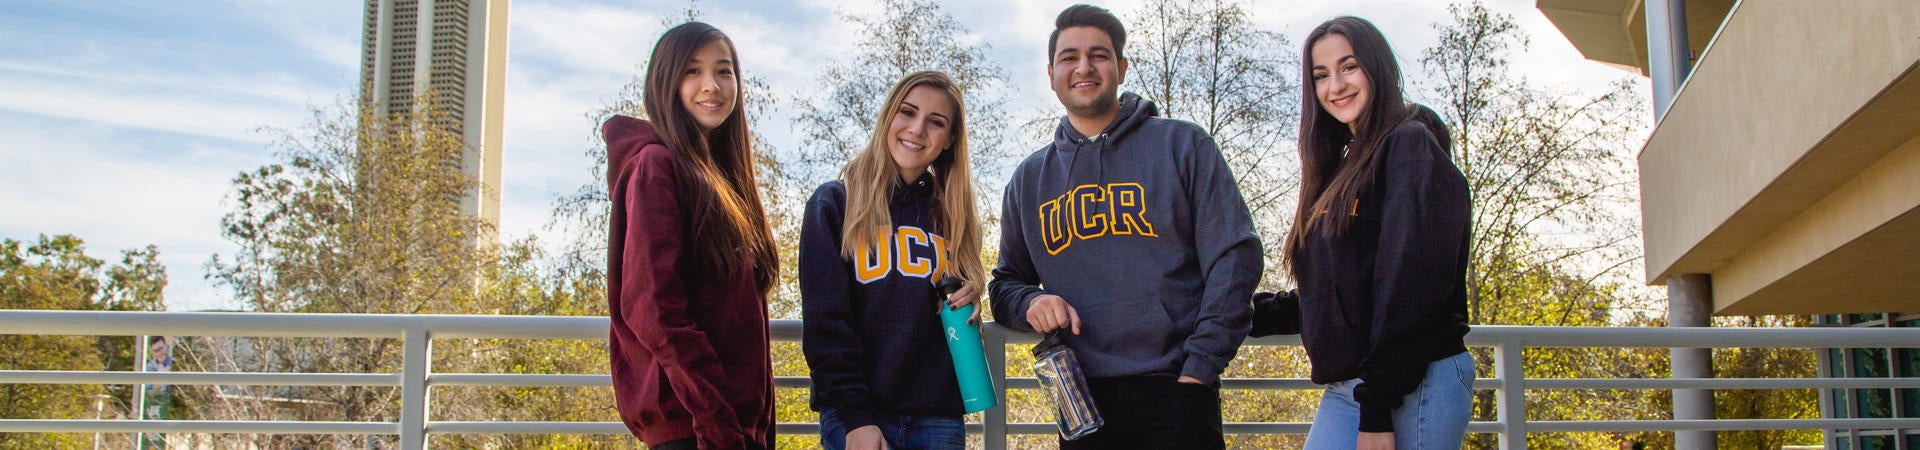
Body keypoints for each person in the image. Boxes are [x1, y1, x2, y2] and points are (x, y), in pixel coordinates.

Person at [987, 4, 1263, 449]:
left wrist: (1199, 369)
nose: (1083, 67)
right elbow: (1003, 285)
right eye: (1069, 57)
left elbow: (1235, 257)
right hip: (1079, 402)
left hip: (1177, 389)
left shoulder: (1182, 145)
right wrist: (1031, 301)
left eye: (1098, 54)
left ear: (1120, 66)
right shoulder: (1029, 179)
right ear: (1051, 72)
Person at [1278, 16, 1476, 450]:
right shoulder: (1341, 168)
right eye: (1321, 75)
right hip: (1355, 386)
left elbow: (1413, 282)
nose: (1336, 86)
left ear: (1377, 67)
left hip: (1414, 381)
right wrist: (1232, 312)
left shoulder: (1410, 146)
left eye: (1349, 67)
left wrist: (1378, 407)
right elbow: (1339, 291)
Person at [604, 21, 778, 450]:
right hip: (697, 430)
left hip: (731, 430)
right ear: (666, 80)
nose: (712, 86)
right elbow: (653, 307)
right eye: (692, 71)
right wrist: (717, 425)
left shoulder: (723, 180)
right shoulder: (657, 165)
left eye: (724, 71)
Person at [800, 71, 986, 450]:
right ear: (888, 117)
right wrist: (857, 419)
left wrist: (970, 302)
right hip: (858, 417)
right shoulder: (835, 203)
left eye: (936, 122)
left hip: (938, 420)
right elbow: (825, 324)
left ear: (949, 139)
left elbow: (950, 313)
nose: (917, 129)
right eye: (908, 112)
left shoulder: (953, 217)